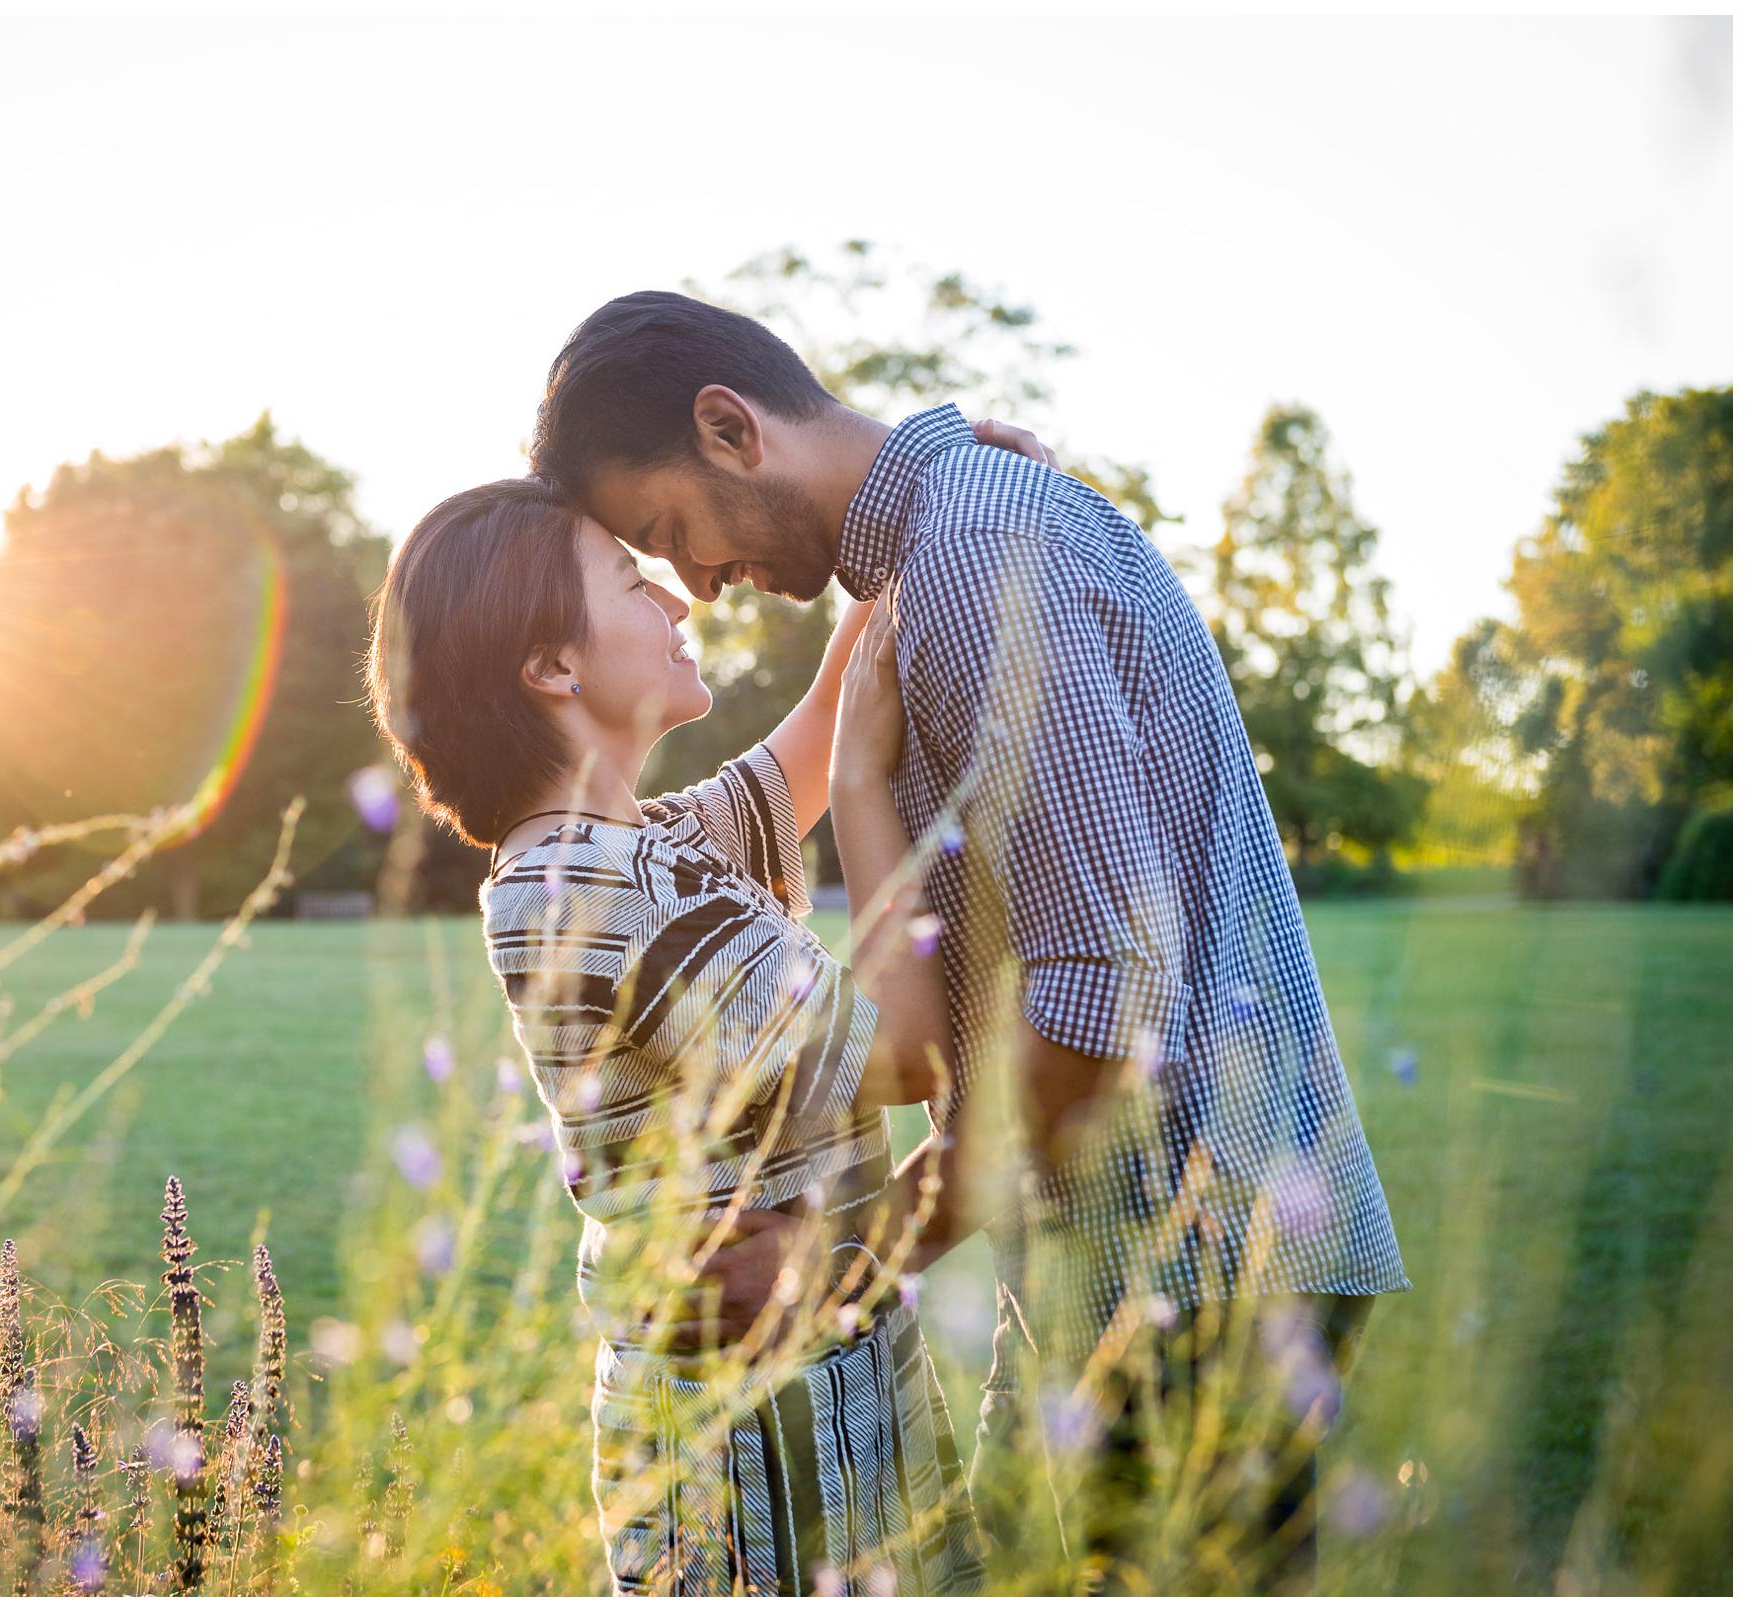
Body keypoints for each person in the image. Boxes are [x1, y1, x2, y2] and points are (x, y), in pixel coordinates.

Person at [527, 291, 1412, 1593]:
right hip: (1125, 1256)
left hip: (1200, 1266)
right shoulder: (954, 547)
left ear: (729, 428)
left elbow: (1099, 1006)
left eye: (673, 535)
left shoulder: (976, 554)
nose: (699, 585)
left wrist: (848, 1256)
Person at [362, 474, 1034, 1594]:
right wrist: (868, 785)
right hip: (757, 1433)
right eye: (633, 582)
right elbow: (901, 1050)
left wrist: (945, 500)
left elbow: (822, 718)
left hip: (814, 1381)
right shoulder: (593, 890)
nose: (679, 602)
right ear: (553, 666)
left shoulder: (651, 846)